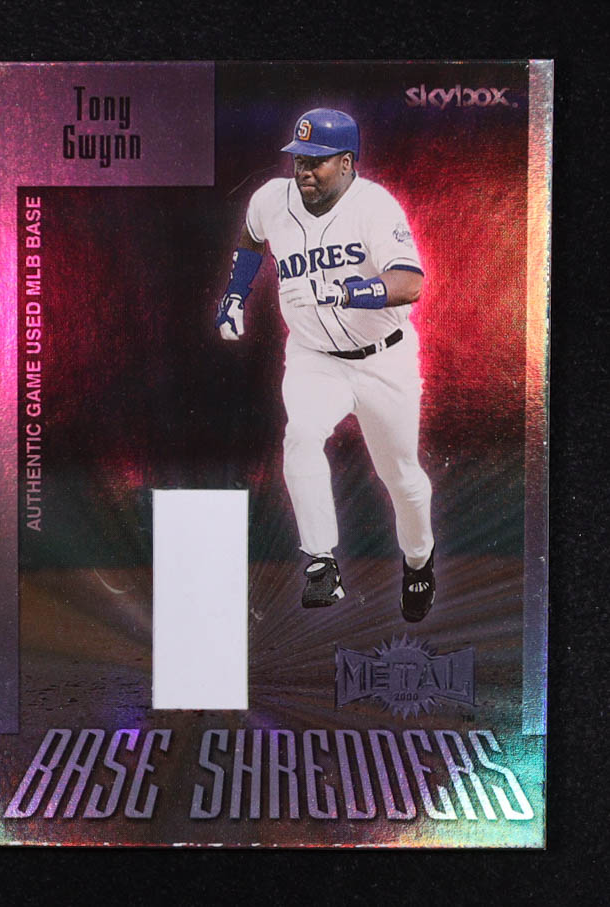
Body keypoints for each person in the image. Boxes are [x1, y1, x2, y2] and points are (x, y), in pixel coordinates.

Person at [215, 108, 435, 622]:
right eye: (299, 159)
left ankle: (419, 560)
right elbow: (251, 238)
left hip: (384, 359)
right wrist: (234, 294)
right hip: (314, 358)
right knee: (301, 436)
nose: (304, 170)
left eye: (317, 161)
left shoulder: (374, 206)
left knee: (401, 477)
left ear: (347, 162)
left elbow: (410, 283)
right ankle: (320, 563)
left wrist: (346, 291)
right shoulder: (271, 200)